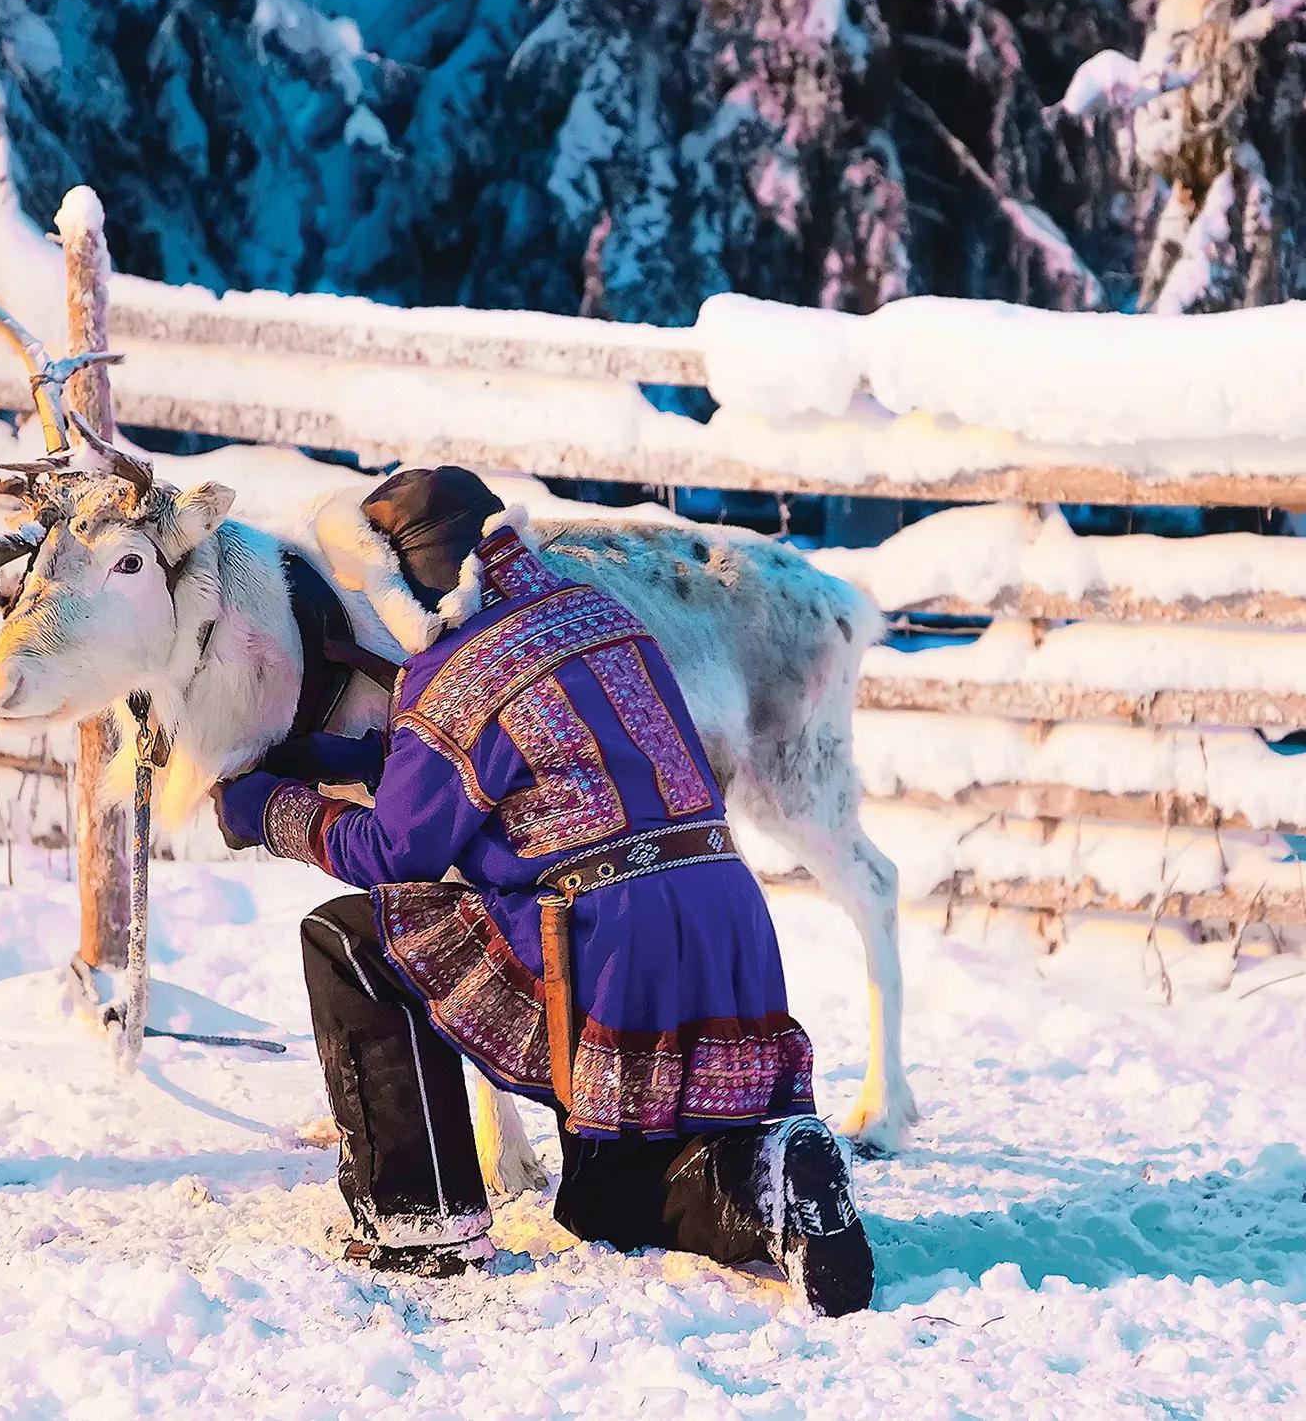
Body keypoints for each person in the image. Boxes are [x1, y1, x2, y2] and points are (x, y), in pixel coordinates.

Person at [213, 467, 873, 1316]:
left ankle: (421, 1218)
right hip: (723, 915)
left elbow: (396, 847)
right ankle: (766, 1179)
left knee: (349, 941)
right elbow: (522, 763)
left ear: (403, 585)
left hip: (604, 937)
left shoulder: (455, 674)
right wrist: (333, 761)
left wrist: (269, 808)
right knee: (603, 1198)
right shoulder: (603, 618)